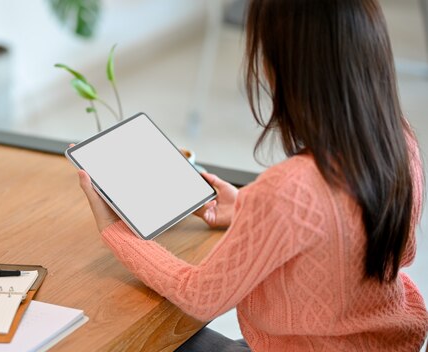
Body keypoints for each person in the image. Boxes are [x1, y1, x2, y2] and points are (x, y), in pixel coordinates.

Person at [76, 0, 428, 351]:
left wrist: (116, 230)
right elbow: (384, 248)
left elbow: (200, 297)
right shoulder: (400, 140)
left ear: (285, 67)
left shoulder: (291, 188)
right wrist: (248, 209)